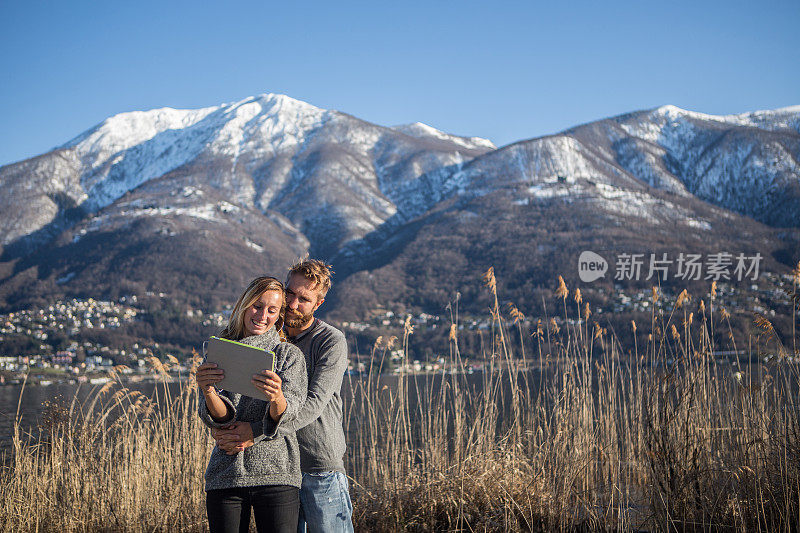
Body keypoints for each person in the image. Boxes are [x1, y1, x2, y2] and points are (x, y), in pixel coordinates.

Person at [213, 260, 354, 533]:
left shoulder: (330, 341)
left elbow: (312, 405)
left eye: (304, 299)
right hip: (277, 469)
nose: (293, 304)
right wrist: (224, 429)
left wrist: (254, 432)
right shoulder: (268, 338)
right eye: (290, 293)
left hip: (318, 466)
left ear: (318, 304)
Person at [196, 276, 308, 533]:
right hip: (226, 473)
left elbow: (290, 415)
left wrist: (277, 397)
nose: (262, 315)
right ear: (244, 305)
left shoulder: (288, 355)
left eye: (272, 310)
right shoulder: (219, 352)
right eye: (257, 305)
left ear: (279, 315)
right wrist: (208, 391)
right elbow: (219, 418)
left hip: (276, 473)